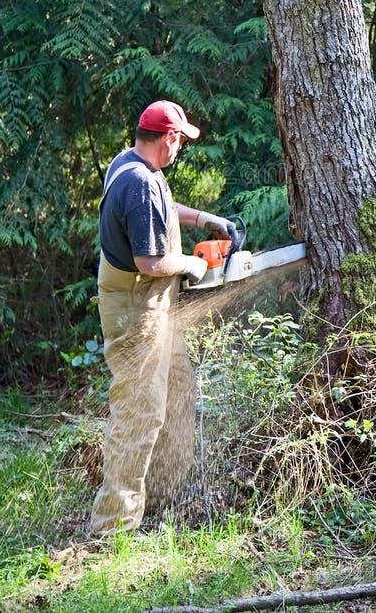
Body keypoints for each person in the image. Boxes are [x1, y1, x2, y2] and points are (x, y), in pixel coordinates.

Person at [90, 100, 233, 535]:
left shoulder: (133, 165)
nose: (180, 149)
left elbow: (160, 213)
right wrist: (192, 263)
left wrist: (205, 219)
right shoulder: (139, 183)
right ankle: (112, 526)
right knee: (139, 411)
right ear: (168, 138)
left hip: (149, 304)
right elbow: (150, 262)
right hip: (138, 306)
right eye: (180, 141)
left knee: (177, 388)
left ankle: (165, 494)